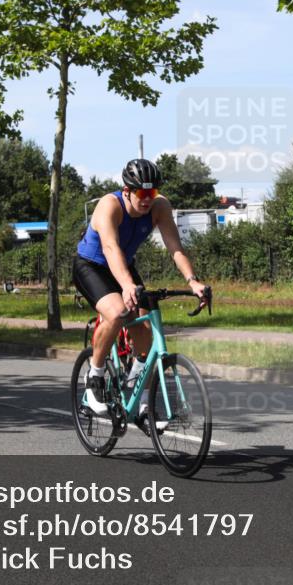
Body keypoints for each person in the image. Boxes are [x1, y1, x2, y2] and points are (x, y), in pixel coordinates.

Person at [72, 158, 210, 435]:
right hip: (91, 266)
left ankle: (142, 401)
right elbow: (110, 248)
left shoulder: (160, 207)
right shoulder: (109, 206)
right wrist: (125, 285)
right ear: (127, 191)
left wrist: (193, 281)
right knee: (118, 312)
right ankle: (94, 380)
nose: (148, 199)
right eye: (142, 194)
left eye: (153, 193)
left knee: (145, 328)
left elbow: (175, 247)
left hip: (124, 265)